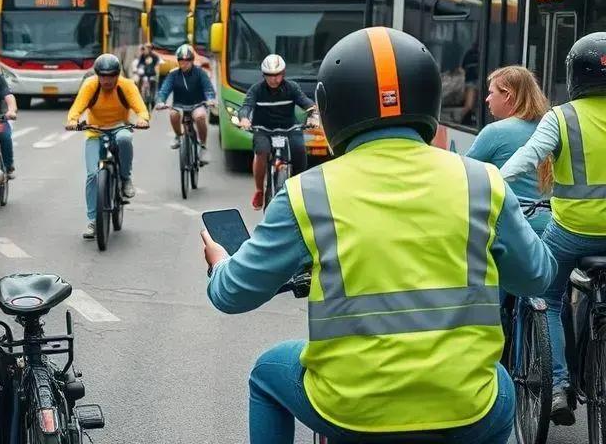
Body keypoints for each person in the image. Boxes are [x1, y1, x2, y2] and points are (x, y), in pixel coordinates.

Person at [201, 27, 557, 444]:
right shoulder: (482, 182)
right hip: (462, 410)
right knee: (499, 387)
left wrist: (219, 262)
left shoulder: (307, 192)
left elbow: (232, 295)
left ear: (331, 106)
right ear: (429, 96)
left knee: (266, 373)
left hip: (348, 411)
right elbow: (537, 277)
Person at [500, 32, 606, 426]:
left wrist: (490, 187)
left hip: (572, 233)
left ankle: (557, 385)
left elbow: (526, 160)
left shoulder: (561, 117)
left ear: (574, 74)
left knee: (547, 297)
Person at [65, 54, 150, 240]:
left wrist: (143, 118)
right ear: (97, 75)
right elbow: (77, 108)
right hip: (95, 131)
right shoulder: (90, 85)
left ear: (117, 75)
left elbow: (140, 108)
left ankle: (126, 178)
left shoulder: (126, 85)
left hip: (120, 126)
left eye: (111, 75)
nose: (107, 80)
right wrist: (72, 120)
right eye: (103, 76)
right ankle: (93, 221)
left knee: (125, 140)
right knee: (92, 175)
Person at [466, 66, 552, 235]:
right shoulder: (549, 128)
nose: (487, 99)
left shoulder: (495, 132)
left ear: (507, 95)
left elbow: (463, 174)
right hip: (550, 224)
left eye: (491, 93)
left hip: (513, 226)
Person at [238, 54, 319, 210]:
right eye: (269, 76)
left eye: (277, 75)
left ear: (283, 74)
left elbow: (306, 102)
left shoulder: (292, 87)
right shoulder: (256, 90)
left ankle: (297, 190)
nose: (274, 79)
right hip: (263, 129)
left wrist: (313, 115)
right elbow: (246, 107)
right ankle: (260, 191)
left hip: (290, 128)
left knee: (300, 151)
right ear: (264, 75)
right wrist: (244, 119)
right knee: (261, 151)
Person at [154, 44, 216, 164]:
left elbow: (208, 88)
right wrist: (160, 101)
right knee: (173, 114)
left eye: (187, 60)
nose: (184, 63)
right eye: (181, 60)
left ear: (192, 60)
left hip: (197, 104)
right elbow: (164, 90)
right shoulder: (173, 74)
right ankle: (178, 136)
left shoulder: (200, 73)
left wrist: (211, 99)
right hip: (179, 105)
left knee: (200, 117)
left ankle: (203, 146)